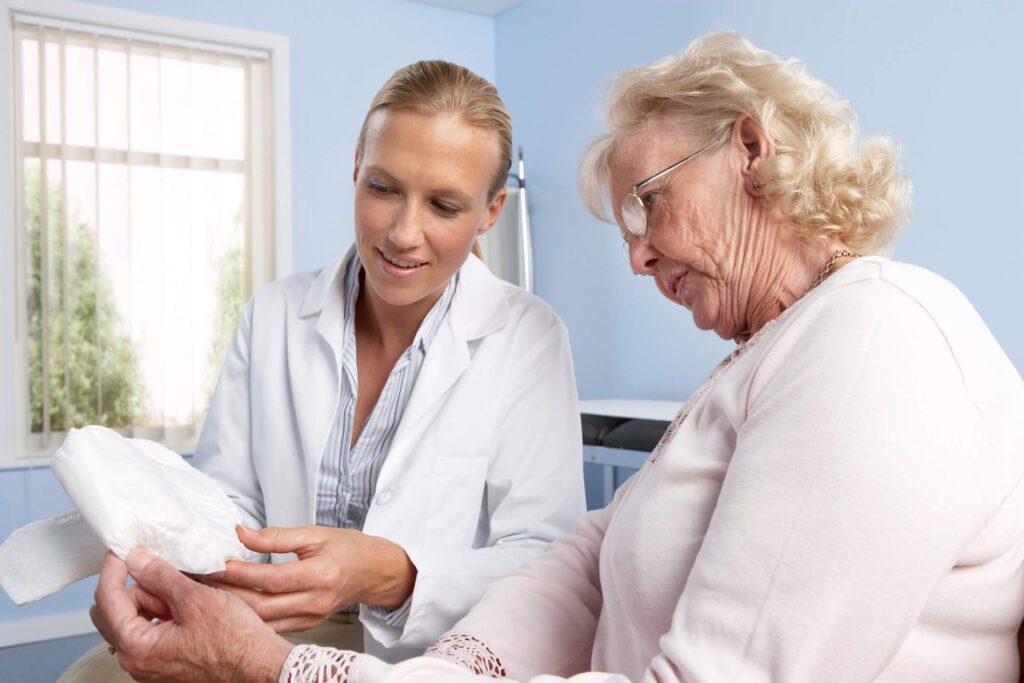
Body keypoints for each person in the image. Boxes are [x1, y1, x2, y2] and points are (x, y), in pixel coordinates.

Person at [92, 34, 1024, 681]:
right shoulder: (765, 355)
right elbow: (585, 555)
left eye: (648, 203)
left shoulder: (873, 341)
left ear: (749, 148)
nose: (636, 253)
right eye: (625, 221)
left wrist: (300, 657)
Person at [75, 59, 585, 680]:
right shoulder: (276, 313)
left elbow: (547, 564)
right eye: (383, 188)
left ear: (491, 211)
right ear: (355, 170)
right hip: (266, 619)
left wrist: (391, 571)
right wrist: (182, 575)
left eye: (445, 205)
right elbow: (228, 499)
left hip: (430, 650)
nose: (404, 233)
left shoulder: (528, 338)